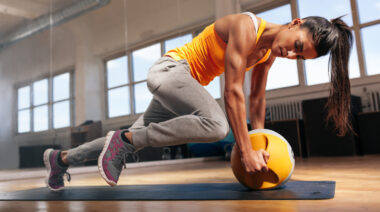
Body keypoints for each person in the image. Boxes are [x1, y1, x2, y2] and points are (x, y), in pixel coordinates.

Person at [43, 12, 353, 191]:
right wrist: (245, 152)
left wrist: (261, 144)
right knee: (217, 125)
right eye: (297, 45)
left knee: (128, 142)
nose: (291, 53)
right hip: (171, 71)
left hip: (183, 88)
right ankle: (124, 141)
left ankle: (60, 160)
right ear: (294, 23)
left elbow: (257, 98)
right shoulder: (246, 28)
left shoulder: (268, 53)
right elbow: (233, 93)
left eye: (299, 56)